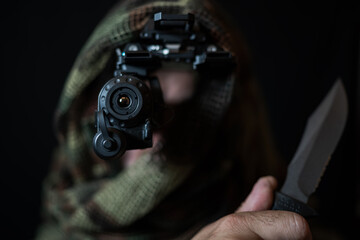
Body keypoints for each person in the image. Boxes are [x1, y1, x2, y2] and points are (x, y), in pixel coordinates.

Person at [35, 0, 312, 239]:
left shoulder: (280, 216)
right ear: (92, 107)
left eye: (180, 118)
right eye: (129, 104)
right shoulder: (63, 219)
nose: (153, 140)